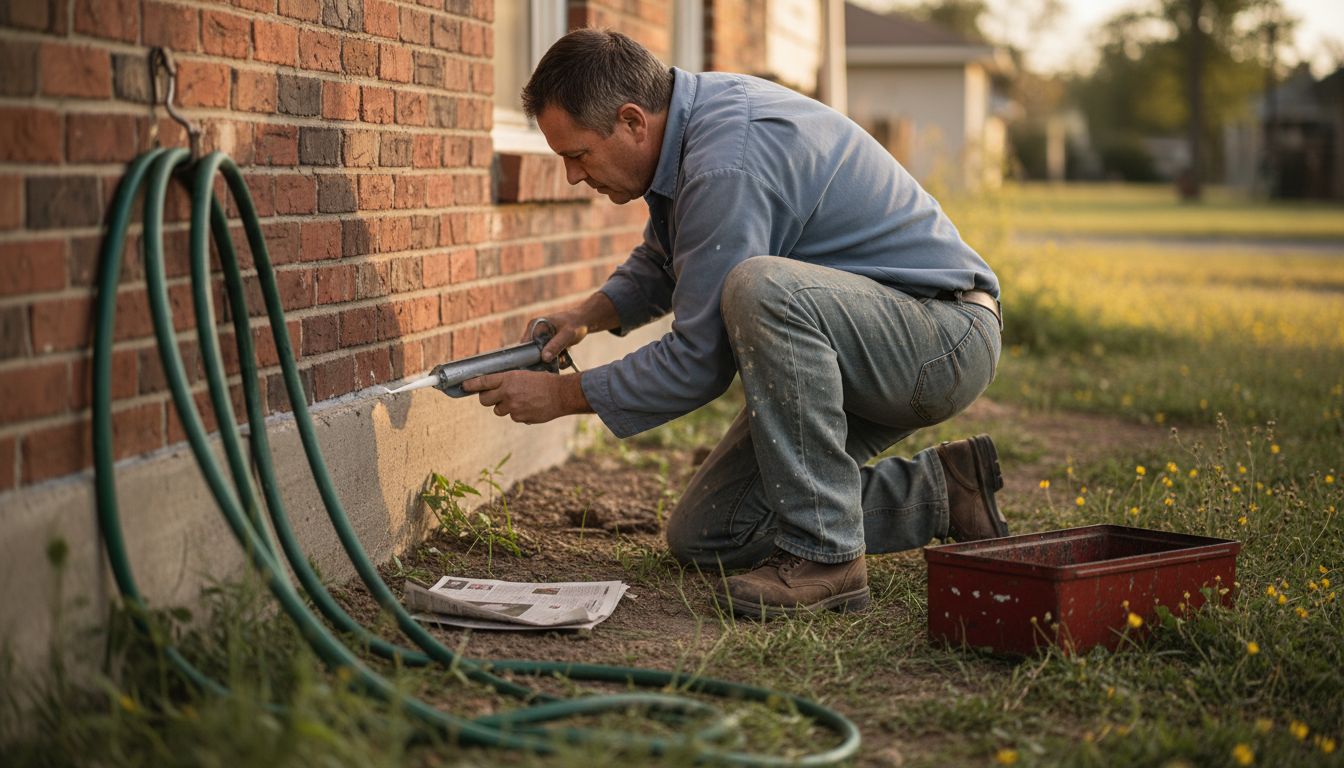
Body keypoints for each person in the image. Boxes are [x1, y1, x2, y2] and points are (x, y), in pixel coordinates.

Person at [461, 28, 1008, 619]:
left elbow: (697, 363)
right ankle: (944, 492)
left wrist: (560, 395)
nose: (572, 176)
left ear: (632, 121)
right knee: (712, 530)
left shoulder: (726, 162)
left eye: (578, 155)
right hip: (864, 339)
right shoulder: (691, 129)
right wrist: (585, 316)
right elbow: (669, 258)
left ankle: (828, 557)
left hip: (940, 337)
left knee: (761, 288)